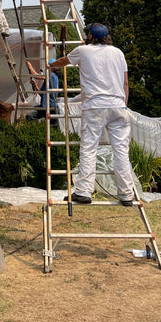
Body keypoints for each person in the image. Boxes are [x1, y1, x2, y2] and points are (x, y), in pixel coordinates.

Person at [48, 23, 135, 206]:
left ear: (91, 36)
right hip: (118, 105)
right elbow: (125, 82)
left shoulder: (83, 50)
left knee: (89, 148)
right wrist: (124, 105)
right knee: (121, 151)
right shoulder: (118, 52)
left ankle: (83, 191)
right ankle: (127, 194)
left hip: (95, 106)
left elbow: (64, 61)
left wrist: (51, 65)